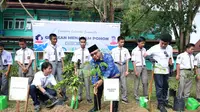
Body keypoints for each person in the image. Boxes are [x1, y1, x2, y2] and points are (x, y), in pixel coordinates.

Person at [145, 33, 173, 112]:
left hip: (166, 71)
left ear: (168, 43)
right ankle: (160, 104)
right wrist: (149, 58)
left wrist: (171, 67)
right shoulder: (154, 48)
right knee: (159, 87)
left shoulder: (170, 48)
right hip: (157, 71)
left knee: (165, 87)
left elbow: (170, 58)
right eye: (162, 43)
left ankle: (164, 102)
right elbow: (145, 54)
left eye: (166, 44)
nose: (163, 45)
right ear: (160, 41)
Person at [88, 44, 120, 112]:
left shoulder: (108, 57)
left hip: (113, 76)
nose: (94, 56)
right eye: (92, 55)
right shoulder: (92, 62)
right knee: (97, 90)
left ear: (99, 51)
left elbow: (109, 69)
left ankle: (114, 109)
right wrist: (95, 84)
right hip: (101, 77)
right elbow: (94, 73)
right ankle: (96, 107)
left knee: (112, 93)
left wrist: (102, 80)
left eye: (95, 53)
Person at [43, 33, 67, 101]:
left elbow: (62, 58)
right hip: (51, 64)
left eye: (56, 39)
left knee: (62, 80)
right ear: (50, 39)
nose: (55, 40)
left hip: (59, 64)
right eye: (54, 39)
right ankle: (53, 96)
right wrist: (48, 68)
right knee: (51, 80)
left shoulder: (59, 47)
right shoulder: (47, 48)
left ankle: (64, 95)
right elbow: (46, 59)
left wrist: (63, 66)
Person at [71, 37, 92, 103]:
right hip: (79, 67)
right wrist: (75, 70)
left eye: (84, 42)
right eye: (81, 42)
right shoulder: (76, 51)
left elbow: (90, 61)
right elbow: (74, 62)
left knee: (87, 82)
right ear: (79, 43)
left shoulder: (89, 50)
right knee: (79, 82)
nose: (82, 43)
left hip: (86, 67)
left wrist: (90, 69)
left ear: (86, 43)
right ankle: (79, 97)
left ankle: (88, 97)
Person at [111, 35, 130, 104]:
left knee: (123, 83)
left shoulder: (126, 50)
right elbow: (111, 61)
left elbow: (127, 60)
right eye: (121, 42)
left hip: (123, 66)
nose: (122, 43)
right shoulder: (113, 50)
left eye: (123, 42)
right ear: (118, 42)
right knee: (115, 83)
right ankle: (114, 98)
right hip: (116, 66)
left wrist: (127, 70)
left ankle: (124, 98)